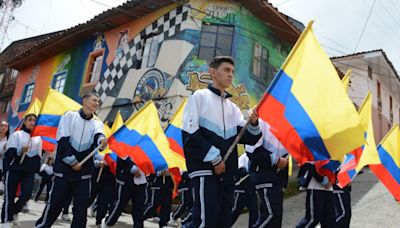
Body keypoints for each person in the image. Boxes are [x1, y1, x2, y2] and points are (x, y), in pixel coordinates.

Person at [182, 56, 262, 227]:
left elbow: (249, 137)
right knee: (206, 220)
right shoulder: (199, 97)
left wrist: (254, 123)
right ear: (213, 72)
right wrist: (215, 158)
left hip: (227, 173)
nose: (231, 75)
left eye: (232, 71)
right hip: (204, 170)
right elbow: (190, 133)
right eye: (226, 70)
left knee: (224, 221)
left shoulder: (232, 107)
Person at [35, 92, 107, 228]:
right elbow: (62, 141)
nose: (97, 103)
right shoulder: (69, 116)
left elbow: (99, 135)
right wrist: (72, 162)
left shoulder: (98, 123)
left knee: (81, 211)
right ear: (84, 101)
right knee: (55, 206)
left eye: (98, 101)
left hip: (83, 174)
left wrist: (102, 141)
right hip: (64, 171)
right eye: (94, 100)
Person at [245, 120, 289, 228]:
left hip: (278, 178)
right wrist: (276, 160)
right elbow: (252, 150)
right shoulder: (261, 120)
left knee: (276, 220)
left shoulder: (285, 121)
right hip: (264, 175)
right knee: (271, 216)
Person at [1, 114, 42, 227]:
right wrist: (20, 150)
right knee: (10, 196)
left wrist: (37, 170)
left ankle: (14, 212)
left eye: (34, 120)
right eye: (30, 120)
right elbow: (9, 154)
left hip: (28, 171)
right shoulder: (16, 135)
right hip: (14, 169)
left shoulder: (38, 138)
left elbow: (38, 156)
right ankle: (5, 220)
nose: (32, 122)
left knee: (27, 194)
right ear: (24, 121)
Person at [101, 156, 146, 228]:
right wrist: (133, 169)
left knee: (139, 209)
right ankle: (108, 222)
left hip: (142, 181)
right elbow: (122, 155)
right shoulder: (126, 145)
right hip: (126, 180)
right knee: (120, 205)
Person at [296, 162, 335, 228]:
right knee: (313, 219)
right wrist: (322, 179)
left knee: (329, 221)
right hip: (315, 186)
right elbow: (309, 164)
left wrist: (333, 180)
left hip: (329, 188)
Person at [230, 153, 257, 228]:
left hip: (251, 191)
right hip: (241, 190)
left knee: (254, 214)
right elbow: (238, 172)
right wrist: (245, 172)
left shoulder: (258, 157)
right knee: (234, 212)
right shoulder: (244, 157)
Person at [89, 153, 116, 226]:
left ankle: (99, 221)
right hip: (97, 173)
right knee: (89, 197)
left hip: (110, 176)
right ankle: (80, 215)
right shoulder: (97, 145)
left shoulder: (117, 146)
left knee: (104, 201)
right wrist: (98, 163)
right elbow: (91, 158)